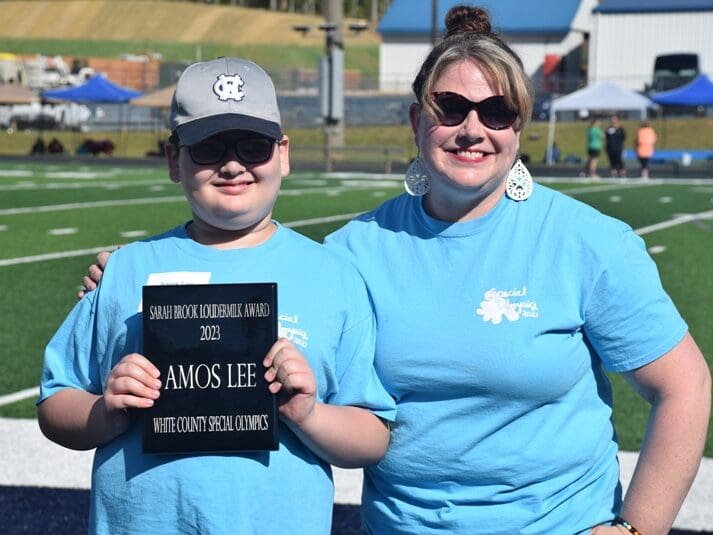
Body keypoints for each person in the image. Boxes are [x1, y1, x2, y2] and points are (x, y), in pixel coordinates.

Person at [80, 8, 711, 535]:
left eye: (496, 112)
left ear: (519, 127)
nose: (472, 128)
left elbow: (683, 388)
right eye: (451, 106)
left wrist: (635, 530)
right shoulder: (353, 251)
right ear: (416, 120)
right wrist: (128, 274)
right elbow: (253, 278)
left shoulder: (587, 242)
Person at [38, 56, 395, 534]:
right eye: (208, 147)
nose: (232, 165)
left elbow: (372, 436)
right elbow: (55, 401)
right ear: (173, 158)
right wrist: (106, 412)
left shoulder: (333, 276)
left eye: (254, 145)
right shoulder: (125, 269)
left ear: (283, 154)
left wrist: (307, 413)